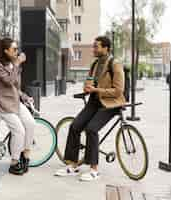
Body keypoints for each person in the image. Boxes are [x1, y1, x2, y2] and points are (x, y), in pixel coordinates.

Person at [54, 36, 126, 181]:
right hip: (94, 101)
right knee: (75, 126)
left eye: (96, 47)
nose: (93, 49)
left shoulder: (115, 64)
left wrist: (97, 90)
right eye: (93, 46)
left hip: (110, 104)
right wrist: (87, 88)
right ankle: (72, 165)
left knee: (91, 129)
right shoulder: (94, 64)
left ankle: (94, 170)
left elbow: (118, 90)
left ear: (106, 48)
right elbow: (89, 82)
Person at [0, 37, 35, 175]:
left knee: (30, 123)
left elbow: (15, 87)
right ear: (6, 51)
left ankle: (25, 155)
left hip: (16, 102)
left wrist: (25, 97)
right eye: (14, 49)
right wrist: (17, 63)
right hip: (4, 104)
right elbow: (9, 82)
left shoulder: (13, 65)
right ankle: (14, 162)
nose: (17, 51)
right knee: (19, 131)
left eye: (17, 49)